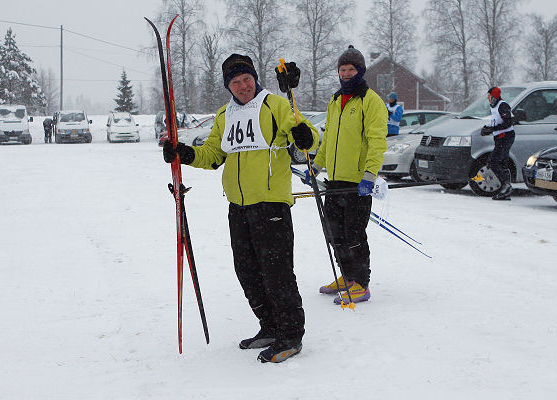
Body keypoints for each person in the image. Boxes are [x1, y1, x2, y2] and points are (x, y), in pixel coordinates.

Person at [162, 54, 319, 363]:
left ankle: (290, 334)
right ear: (228, 86)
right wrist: (183, 152)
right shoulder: (225, 114)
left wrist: (306, 136)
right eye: (236, 81)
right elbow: (212, 155)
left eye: (247, 79)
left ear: (254, 78)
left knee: (277, 273)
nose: (243, 85)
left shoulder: (275, 104)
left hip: (271, 203)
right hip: (239, 206)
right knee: (247, 271)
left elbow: (309, 139)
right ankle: (270, 326)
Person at [303, 45, 388, 305]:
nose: (346, 73)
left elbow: (377, 141)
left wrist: (370, 175)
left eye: (351, 69)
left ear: (360, 71)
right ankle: (347, 276)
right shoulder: (335, 100)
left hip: (357, 183)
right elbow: (328, 138)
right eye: (342, 69)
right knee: (334, 232)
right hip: (335, 180)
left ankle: (361, 283)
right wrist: (316, 166)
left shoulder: (370, 100)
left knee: (354, 235)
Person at [481, 86, 515, 200]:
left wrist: (492, 129)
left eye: (489, 96)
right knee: (502, 162)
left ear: (495, 96)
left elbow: (508, 123)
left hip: (506, 137)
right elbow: (498, 122)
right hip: (500, 138)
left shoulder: (503, 105)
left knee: (493, 162)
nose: (488, 99)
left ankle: (506, 186)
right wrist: (489, 128)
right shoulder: (494, 107)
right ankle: (505, 190)